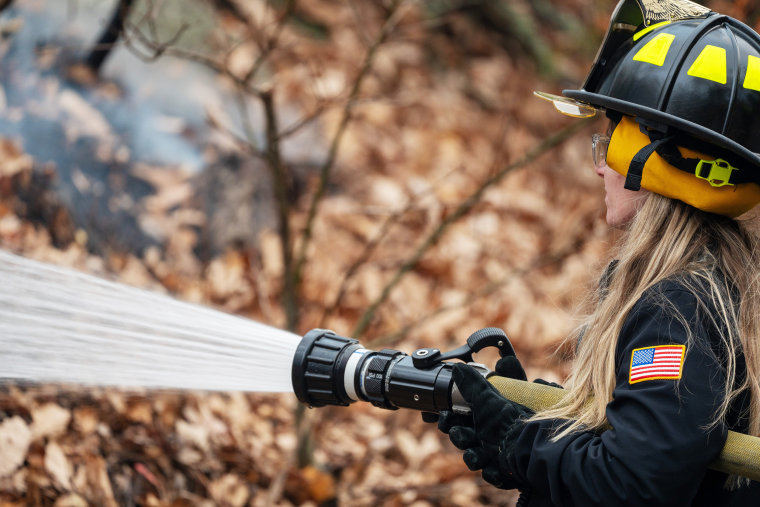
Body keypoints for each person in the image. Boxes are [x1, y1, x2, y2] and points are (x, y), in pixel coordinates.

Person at [433, 1, 760, 505]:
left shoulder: (678, 309)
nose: (599, 168)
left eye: (610, 144)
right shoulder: (726, 283)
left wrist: (520, 443)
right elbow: (651, 442)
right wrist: (534, 421)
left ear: (653, 161)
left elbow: (634, 485)